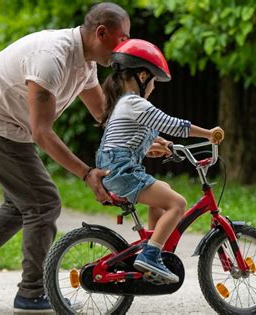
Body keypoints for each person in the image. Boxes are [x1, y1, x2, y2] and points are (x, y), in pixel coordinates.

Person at [0, 3, 130, 313]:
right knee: (43, 202)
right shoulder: (52, 58)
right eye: (122, 39)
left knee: (24, 204)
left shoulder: (85, 64)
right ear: (101, 32)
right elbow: (42, 132)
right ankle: (32, 292)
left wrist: (142, 138)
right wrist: (87, 173)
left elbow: (104, 114)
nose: (124, 48)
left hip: (5, 127)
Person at [96, 39, 224, 283]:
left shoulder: (124, 104)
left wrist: (154, 147)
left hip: (118, 168)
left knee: (163, 190)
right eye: (153, 81)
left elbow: (129, 140)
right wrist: (209, 134)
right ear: (142, 75)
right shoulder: (135, 102)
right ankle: (151, 255)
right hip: (122, 171)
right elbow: (173, 124)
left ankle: (151, 244)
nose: (154, 87)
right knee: (178, 203)